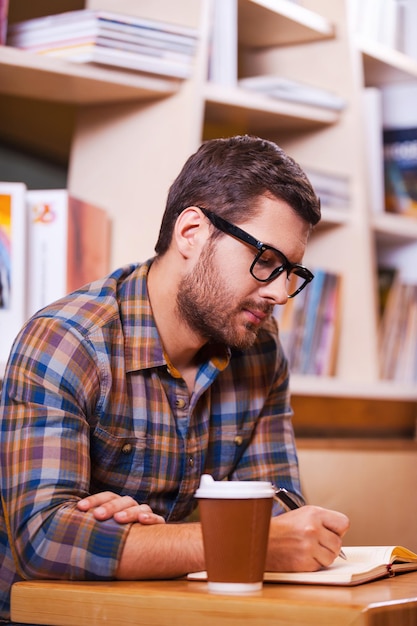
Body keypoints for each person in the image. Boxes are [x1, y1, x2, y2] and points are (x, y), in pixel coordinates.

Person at [0, 135, 349, 622]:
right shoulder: (66, 341)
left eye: (291, 271)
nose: (279, 293)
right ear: (191, 231)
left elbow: (278, 515)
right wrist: (223, 541)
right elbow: (43, 541)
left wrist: (145, 538)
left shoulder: (260, 350)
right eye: (266, 261)